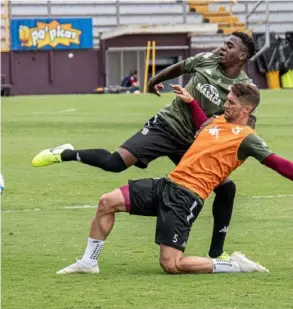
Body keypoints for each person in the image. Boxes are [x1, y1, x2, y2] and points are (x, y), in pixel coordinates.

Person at [32, 32, 257, 260]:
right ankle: (66, 153)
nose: (222, 48)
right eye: (224, 43)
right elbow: (178, 68)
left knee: (227, 189)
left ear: (241, 55)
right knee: (114, 163)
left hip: (193, 143)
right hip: (167, 126)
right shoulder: (206, 60)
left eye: (229, 46)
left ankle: (217, 253)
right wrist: (153, 81)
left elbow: (243, 120)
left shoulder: (244, 89)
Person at [56, 83, 293, 275]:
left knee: (171, 265)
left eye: (231, 102)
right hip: (166, 184)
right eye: (226, 99)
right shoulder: (219, 121)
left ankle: (234, 266)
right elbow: (204, 126)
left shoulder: (247, 138)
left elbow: (277, 163)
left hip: (186, 197)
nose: (225, 104)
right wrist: (190, 102)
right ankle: (89, 263)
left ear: (246, 110)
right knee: (106, 202)